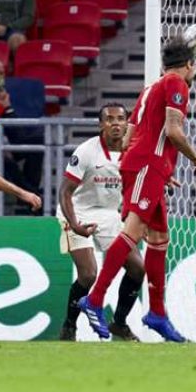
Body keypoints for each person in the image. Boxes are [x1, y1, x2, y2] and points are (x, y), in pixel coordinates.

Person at [79, 37, 196, 341]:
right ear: (190, 64)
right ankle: (95, 299)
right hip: (147, 166)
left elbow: (128, 138)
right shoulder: (178, 85)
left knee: (160, 238)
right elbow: (174, 131)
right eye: (195, 63)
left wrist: (161, 170)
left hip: (147, 167)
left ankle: (157, 313)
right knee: (134, 230)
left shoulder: (150, 88)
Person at [57, 103, 145, 341]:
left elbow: (136, 185)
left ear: (127, 124)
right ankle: (69, 327)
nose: (115, 123)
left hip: (109, 214)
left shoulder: (133, 152)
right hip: (77, 211)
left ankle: (119, 323)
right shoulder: (87, 151)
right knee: (88, 274)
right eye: (109, 119)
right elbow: (65, 192)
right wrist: (74, 223)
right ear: (100, 124)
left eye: (120, 119)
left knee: (138, 268)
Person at [0, 57, 43, 195]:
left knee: (36, 143)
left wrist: (7, 108)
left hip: (3, 145)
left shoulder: (4, 96)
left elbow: (17, 135)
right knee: (4, 157)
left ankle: (29, 193)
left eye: (1, 73)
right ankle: (30, 196)